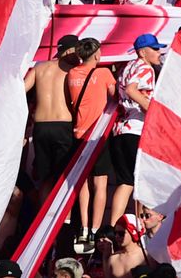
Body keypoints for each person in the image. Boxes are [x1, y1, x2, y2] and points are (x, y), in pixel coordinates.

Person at [95, 34, 162, 230]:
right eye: (155, 49)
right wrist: (151, 110)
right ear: (143, 52)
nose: (159, 52)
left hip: (120, 130)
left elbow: (121, 93)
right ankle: (141, 227)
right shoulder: (145, 68)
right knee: (141, 182)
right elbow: (133, 90)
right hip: (137, 129)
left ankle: (115, 227)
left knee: (125, 182)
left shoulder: (126, 67)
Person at [67, 38, 117, 253]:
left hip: (78, 133)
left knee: (84, 184)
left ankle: (84, 228)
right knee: (100, 184)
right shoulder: (104, 73)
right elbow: (116, 96)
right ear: (97, 54)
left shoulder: (72, 74)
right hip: (97, 135)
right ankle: (95, 231)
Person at [25, 35, 80, 195]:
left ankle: (43, 216)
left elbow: (20, 90)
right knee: (64, 177)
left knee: (45, 178)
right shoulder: (72, 71)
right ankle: (64, 219)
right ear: (70, 50)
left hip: (41, 127)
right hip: (63, 126)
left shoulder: (39, 68)